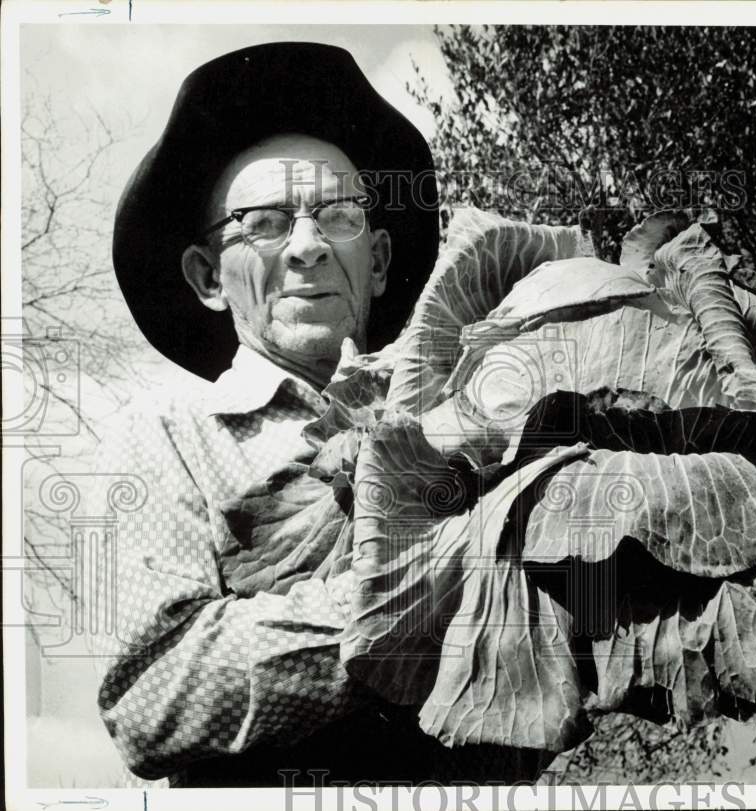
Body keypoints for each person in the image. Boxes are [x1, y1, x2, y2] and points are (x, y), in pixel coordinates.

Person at [99, 42, 544, 787]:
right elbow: (153, 694)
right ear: (210, 277)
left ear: (374, 260)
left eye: (335, 215)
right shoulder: (170, 434)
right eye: (263, 222)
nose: (305, 246)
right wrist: (405, 590)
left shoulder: (482, 422)